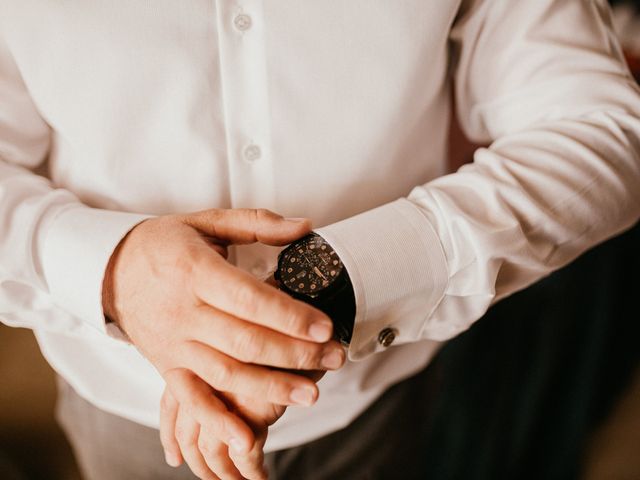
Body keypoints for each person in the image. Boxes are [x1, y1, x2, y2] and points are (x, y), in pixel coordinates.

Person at [1, 1, 639, 479]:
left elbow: (603, 128)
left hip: (378, 396)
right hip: (125, 404)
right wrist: (116, 274)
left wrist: (338, 281)